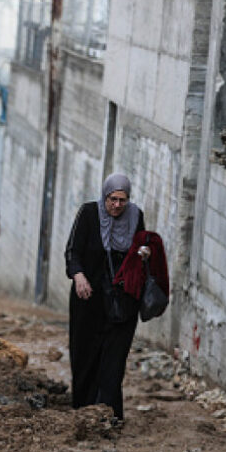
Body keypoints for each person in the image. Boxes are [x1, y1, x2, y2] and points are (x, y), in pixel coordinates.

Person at [64, 173, 146, 423]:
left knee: (114, 360)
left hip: (122, 303)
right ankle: (84, 411)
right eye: (113, 199)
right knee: (85, 354)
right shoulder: (89, 214)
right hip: (88, 299)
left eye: (123, 200)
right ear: (105, 196)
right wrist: (78, 275)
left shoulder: (135, 217)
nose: (117, 205)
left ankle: (110, 414)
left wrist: (144, 253)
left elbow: (140, 248)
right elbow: (72, 251)